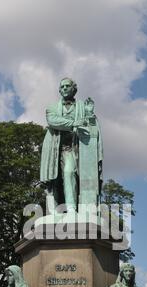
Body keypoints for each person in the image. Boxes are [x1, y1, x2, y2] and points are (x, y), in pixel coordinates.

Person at [40, 78, 103, 213]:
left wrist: (90, 113)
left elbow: (91, 125)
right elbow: (53, 121)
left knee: (73, 175)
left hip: (78, 148)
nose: (64, 89)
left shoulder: (82, 106)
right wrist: (74, 123)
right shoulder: (52, 108)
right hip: (58, 149)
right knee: (61, 177)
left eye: (67, 86)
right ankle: (63, 209)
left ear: (74, 89)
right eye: (62, 87)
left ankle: (77, 208)